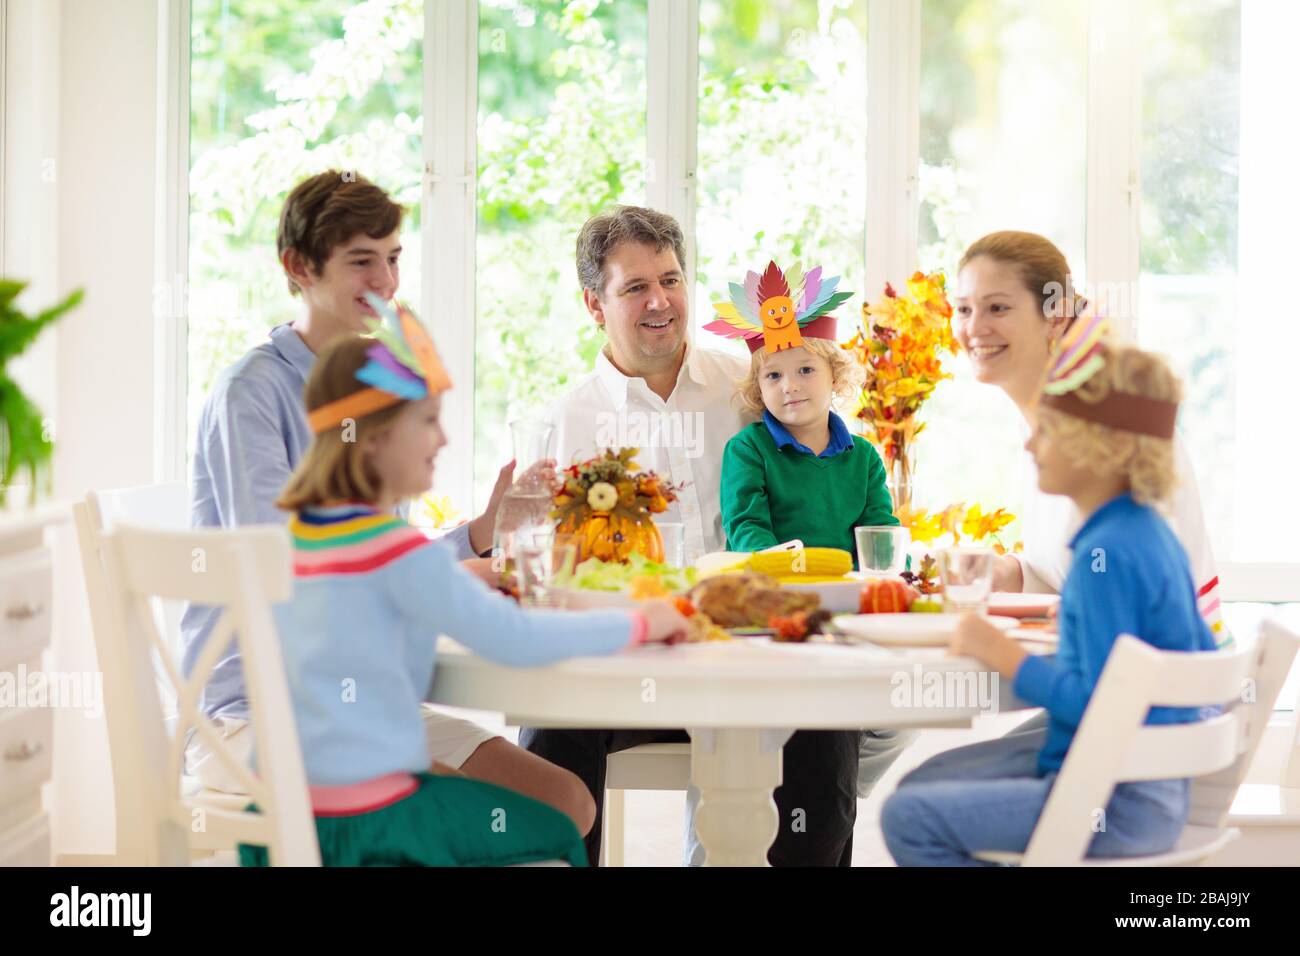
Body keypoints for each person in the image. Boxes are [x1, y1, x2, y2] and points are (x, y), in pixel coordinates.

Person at [181, 170, 595, 830]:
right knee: (476, 817)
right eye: (361, 261)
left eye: (394, 258)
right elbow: (284, 570)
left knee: (563, 801)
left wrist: (482, 532)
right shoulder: (251, 392)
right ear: (298, 266)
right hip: (262, 714)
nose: (387, 282)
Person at [522, 206, 903, 866]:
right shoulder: (565, 424)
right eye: (634, 287)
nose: (660, 301)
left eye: (670, 279)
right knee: (553, 726)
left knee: (825, 727)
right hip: (627, 666)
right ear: (594, 304)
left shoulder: (752, 384)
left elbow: (833, 473)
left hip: (757, 658)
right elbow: (535, 569)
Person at [238, 325, 686, 866]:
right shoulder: (400, 554)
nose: (443, 441)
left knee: (532, 794)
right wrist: (644, 622)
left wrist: (457, 580)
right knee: (565, 822)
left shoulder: (297, 539)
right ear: (375, 438)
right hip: (370, 831)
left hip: (277, 822)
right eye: (427, 423)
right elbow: (521, 640)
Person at [881, 322, 1218, 866]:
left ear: (1106, 448)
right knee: (927, 780)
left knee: (908, 816)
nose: (1031, 442)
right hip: (1151, 787)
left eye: (1050, 428)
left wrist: (1002, 653)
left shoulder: (1105, 555)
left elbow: (1097, 706)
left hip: (1115, 796)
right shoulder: (1144, 533)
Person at [951, 231, 1227, 644]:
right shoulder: (1041, 430)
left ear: (1057, 316)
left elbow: (1133, 583)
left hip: (1157, 690)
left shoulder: (1111, 426)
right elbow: (1075, 573)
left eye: (997, 308)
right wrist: (1011, 572)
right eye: (963, 308)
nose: (974, 328)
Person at [709, 259, 898, 557]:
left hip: (848, 592)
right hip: (773, 592)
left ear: (834, 376)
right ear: (759, 388)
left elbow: (880, 534)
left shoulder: (864, 458)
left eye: (806, 370)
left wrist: (898, 573)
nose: (789, 386)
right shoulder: (748, 449)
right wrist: (784, 575)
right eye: (774, 375)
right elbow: (746, 526)